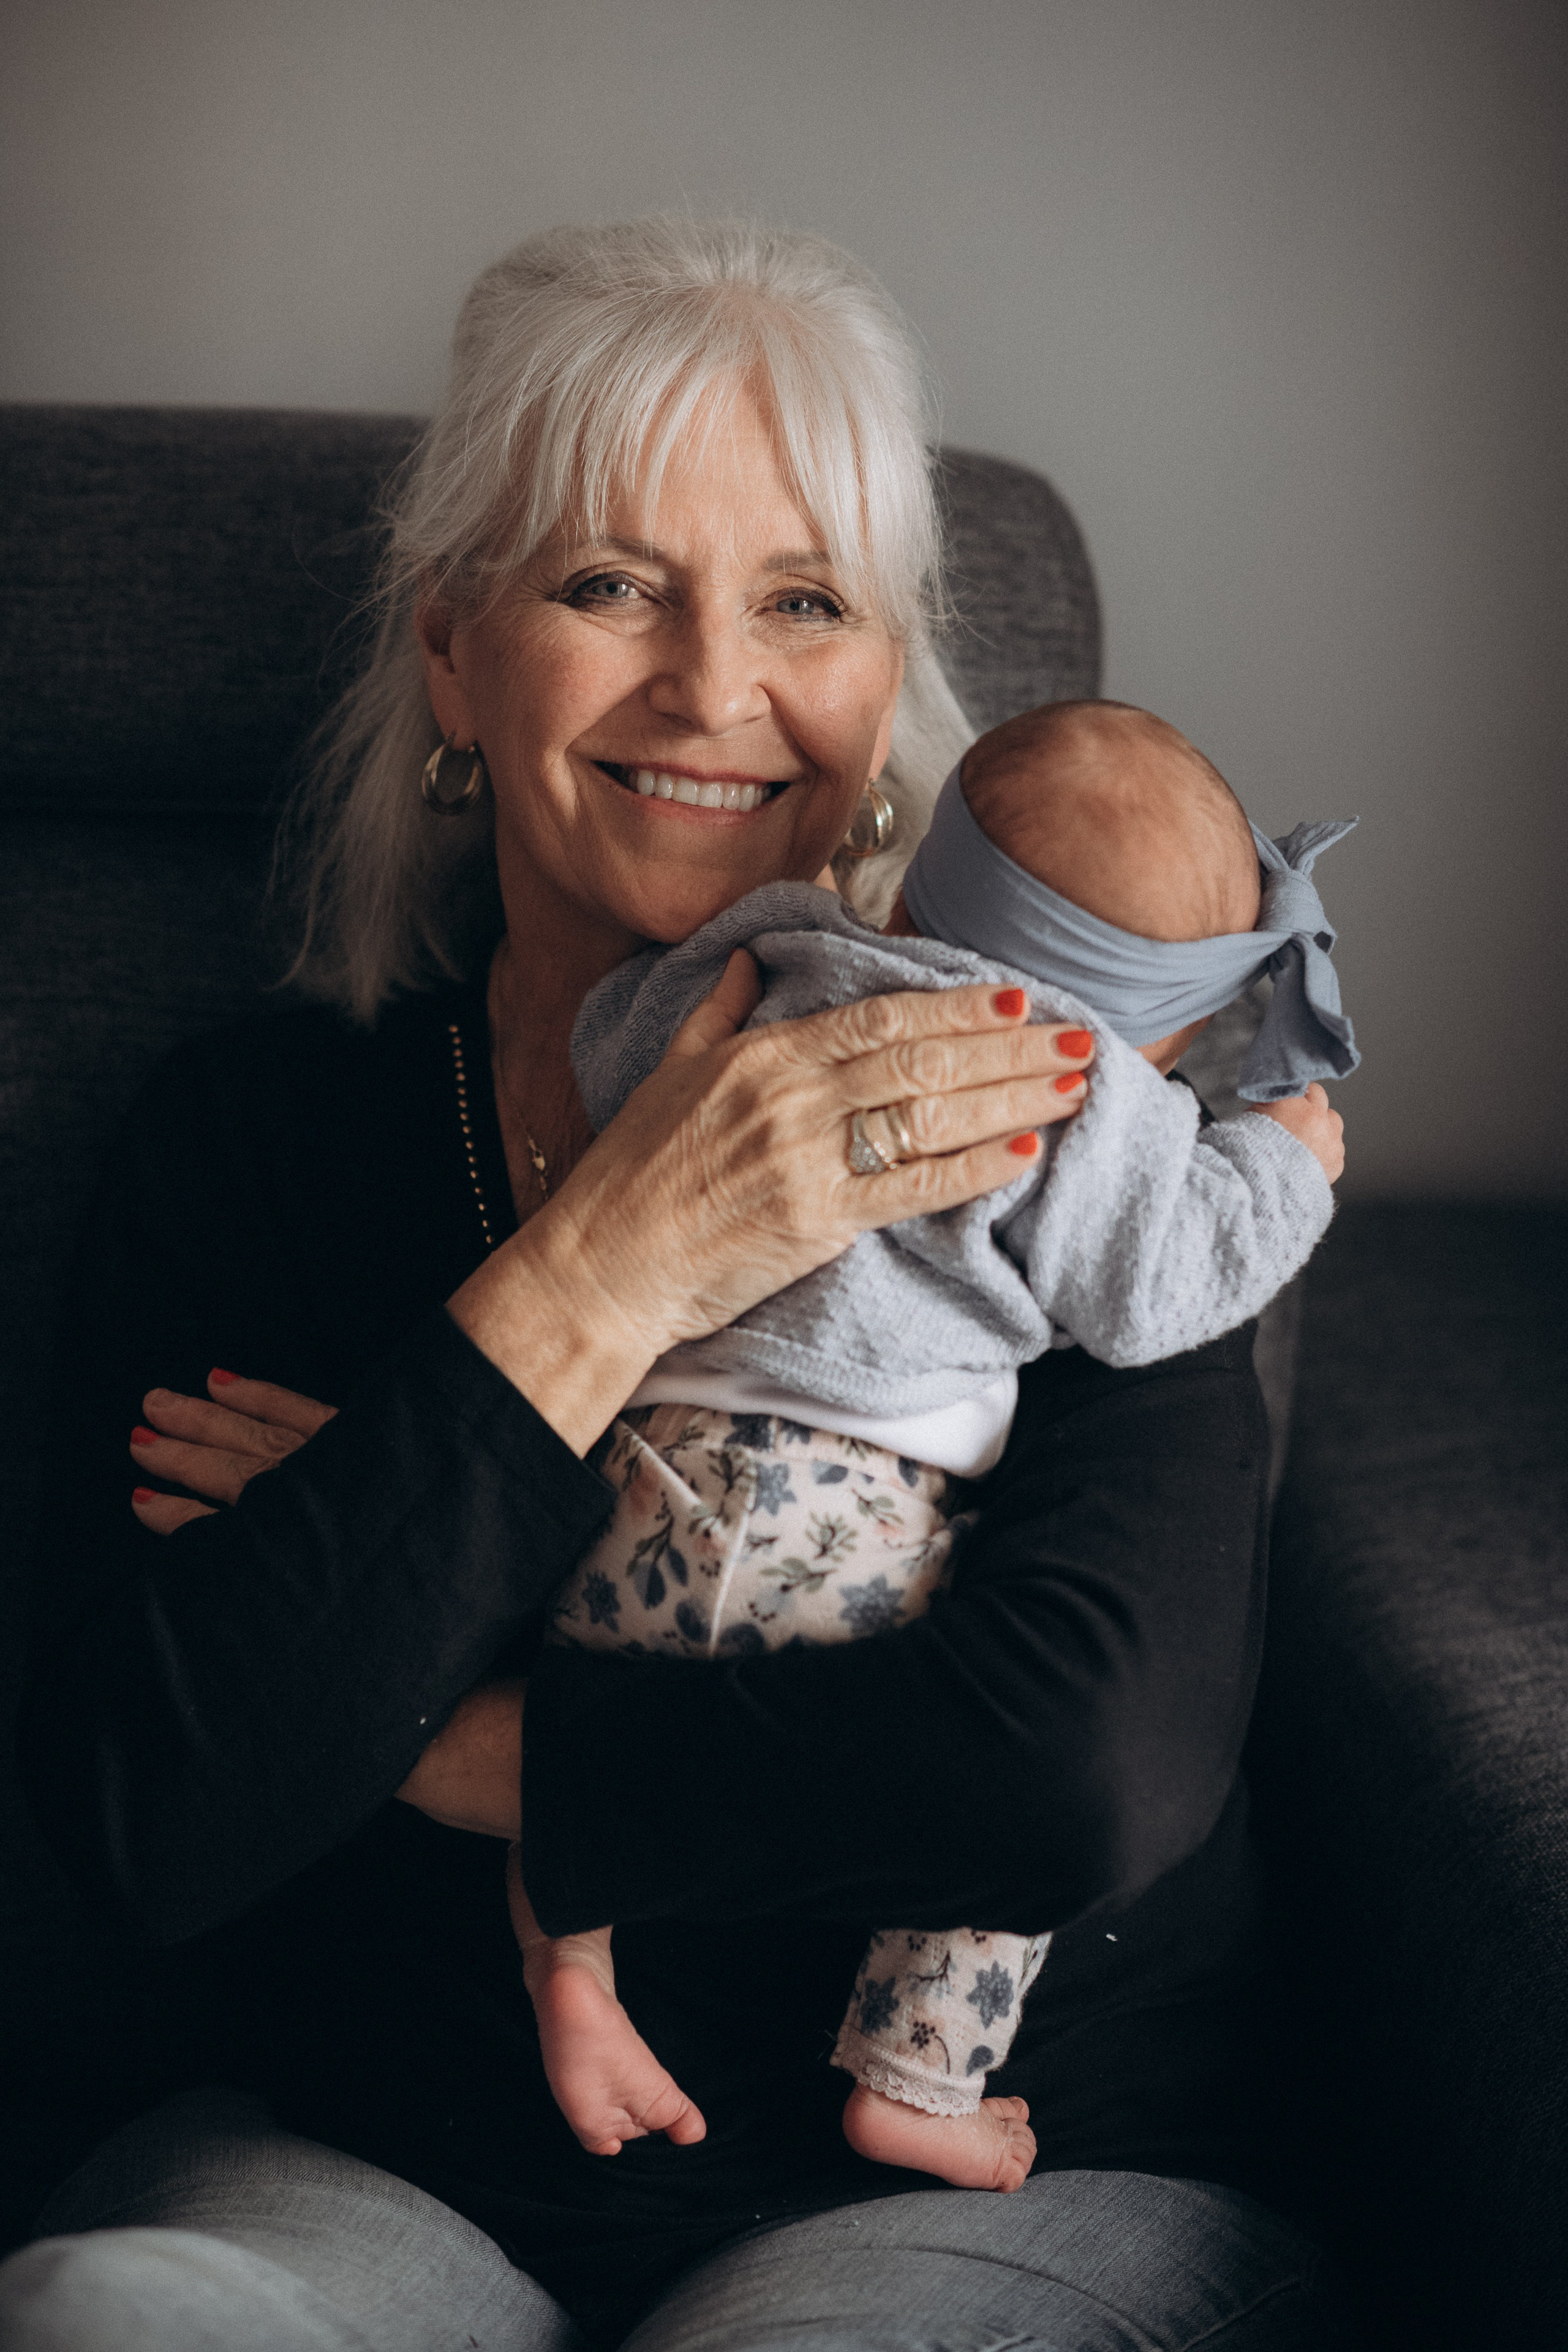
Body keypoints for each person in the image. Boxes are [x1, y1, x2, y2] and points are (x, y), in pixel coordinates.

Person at [2, 219, 1354, 2349]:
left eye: (804, 602)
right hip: (375, 2167)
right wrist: (613, 1263)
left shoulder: (1056, 1107)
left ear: (884, 686)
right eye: (610, 585)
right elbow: (134, 1817)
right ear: (456, 654)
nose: (715, 690)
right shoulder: (253, 1141)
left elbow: (1071, 1769)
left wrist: (425, 1705)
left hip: (989, 2177)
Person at [514, 697, 1354, 2194]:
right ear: (1159, 1025)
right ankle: (914, 2078)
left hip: (634, 1482)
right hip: (858, 1542)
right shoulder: (1086, 1094)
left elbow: (620, 1048)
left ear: (916, 884)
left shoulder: (783, 948)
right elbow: (1153, 1294)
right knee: (976, 1820)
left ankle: (569, 1977)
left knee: (554, 1716)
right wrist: (1281, 1168)